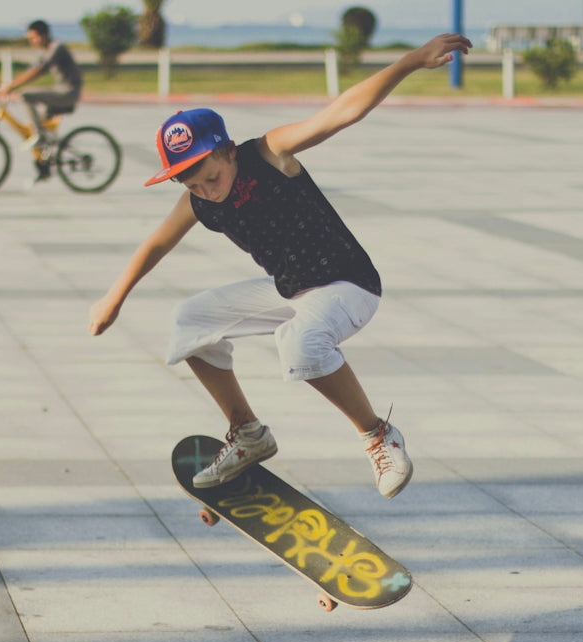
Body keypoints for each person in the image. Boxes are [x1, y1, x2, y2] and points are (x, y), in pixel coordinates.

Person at [88, 33, 472, 499]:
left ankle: (376, 434)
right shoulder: (198, 200)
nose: (208, 191)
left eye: (212, 176)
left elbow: (342, 112)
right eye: (192, 185)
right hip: (291, 290)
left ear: (228, 150)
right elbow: (155, 244)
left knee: (299, 344)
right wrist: (114, 296)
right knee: (189, 321)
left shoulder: (268, 153)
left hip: (348, 284)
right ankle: (247, 433)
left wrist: (411, 61)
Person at [0, 20, 83, 180]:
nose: (31, 41)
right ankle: (44, 165)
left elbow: (39, 71)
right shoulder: (45, 51)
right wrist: (8, 85)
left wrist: (12, 87)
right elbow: (32, 69)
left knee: (26, 96)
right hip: (60, 90)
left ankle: (40, 137)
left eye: (33, 37)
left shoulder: (57, 48)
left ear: (44, 35)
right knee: (37, 123)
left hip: (68, 92)